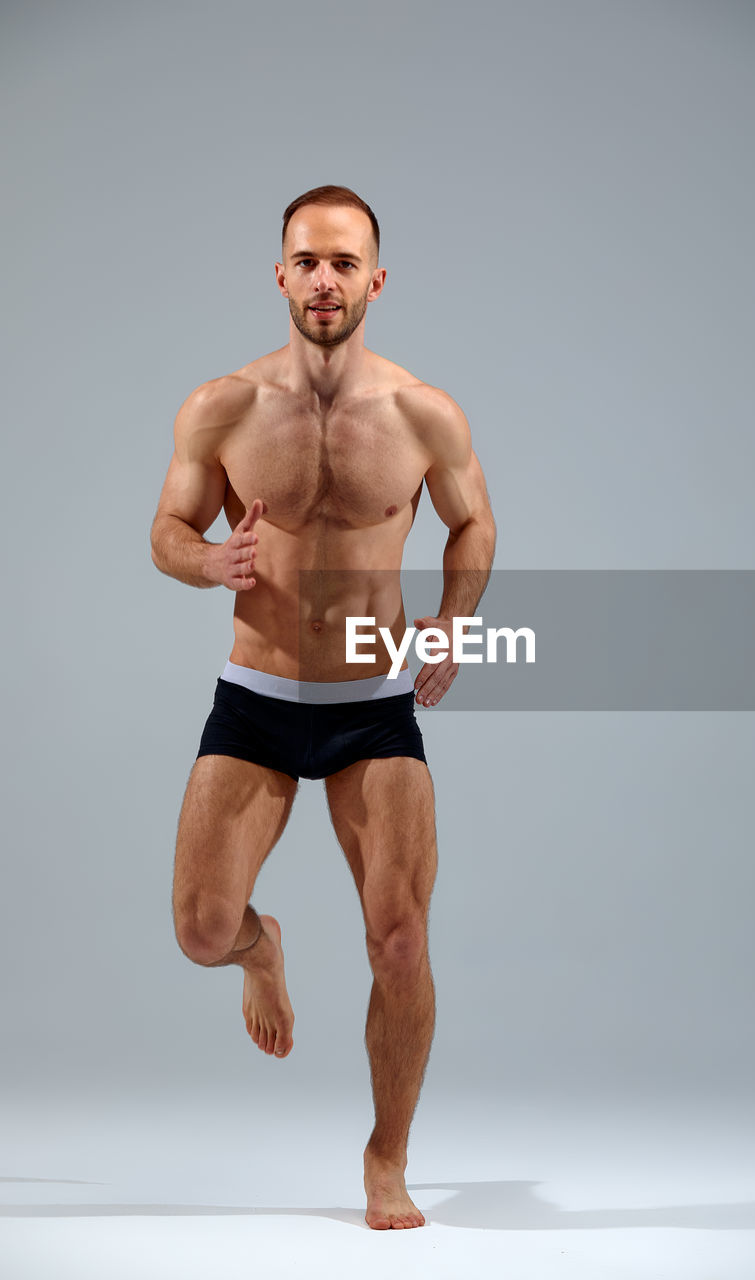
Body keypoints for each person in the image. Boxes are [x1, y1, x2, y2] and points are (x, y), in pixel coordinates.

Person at [150, 185, 496, 1231]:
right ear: (280, 274)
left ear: (375, 280)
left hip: (374, 699)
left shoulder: (422, 412)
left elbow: (471, 522)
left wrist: (451, 622)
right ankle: (265, 949)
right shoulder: (223, 407)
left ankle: (386, 1156)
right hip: (255, 696)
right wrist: (211, 559)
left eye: (345, 262)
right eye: (307, 260)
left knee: (399, 939)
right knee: (202, 929)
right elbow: (166, 527)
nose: (325, 280)